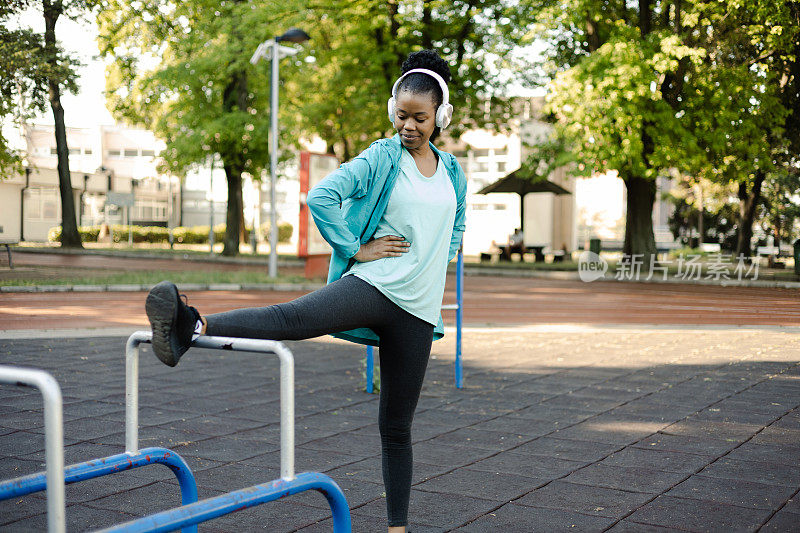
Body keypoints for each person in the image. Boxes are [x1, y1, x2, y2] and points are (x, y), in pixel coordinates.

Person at [144, 48, 466, 533]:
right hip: (376, 287)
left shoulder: (453, 172)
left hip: (419, 313)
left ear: (440, 116)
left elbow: (458, 222)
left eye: (420, 118)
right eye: (401, 116)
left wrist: (443, 254)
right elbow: (322, 196)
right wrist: (357, 249)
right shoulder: (383, 156)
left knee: (397, 429)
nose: (409, 126)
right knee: (294, 319)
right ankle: (190, 323)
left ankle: (397, 527)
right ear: (391, 112)